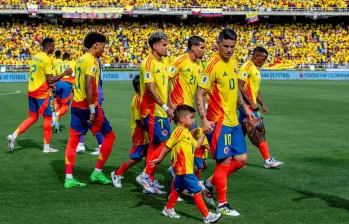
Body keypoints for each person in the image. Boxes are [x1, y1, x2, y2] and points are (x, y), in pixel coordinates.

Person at [196, 28, 255, 216]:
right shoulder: (212, 66)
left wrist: (245, 108)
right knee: (224, 161)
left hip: (234, 120)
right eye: (226, 46)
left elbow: (235, 90)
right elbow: (199, 94)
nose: (229, 50)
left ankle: (206, 184)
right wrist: (204, 120)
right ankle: (222, 204)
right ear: (218, 44)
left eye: (232, 46)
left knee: (242, 159)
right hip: (219, 122)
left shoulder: (234, 63)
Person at [150, 105, 222, 223]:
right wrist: (159, 159)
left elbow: (197, 145)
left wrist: (204, 132)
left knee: (177, 188)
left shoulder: (186, 132)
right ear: (182, 119)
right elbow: (168, 145)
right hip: (184, 169)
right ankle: (207, 216)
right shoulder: (179, 131)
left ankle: (168, 209)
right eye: (192, 118)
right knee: (198, 190)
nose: (194, 120)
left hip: (184, 169)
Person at [63, 32, 115, 188]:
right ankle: (97, 172)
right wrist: (92, 109)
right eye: (103, 47)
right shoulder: (92, 61)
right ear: (96, 45)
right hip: (88, 106)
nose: (104, 50)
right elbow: (88, 85)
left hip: (76, 105)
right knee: (110, 136)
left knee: (73, 140)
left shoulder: (80, 59)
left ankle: (69, 177)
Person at [7, 38, 72, 153]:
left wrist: (49, 84)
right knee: (47, 117)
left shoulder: (36, 56)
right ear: (47, 46)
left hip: (31, 90)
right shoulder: (47, 59)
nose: (54, 48)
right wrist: (64, 74)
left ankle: (13, 136)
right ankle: (46, 147)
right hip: (41, 92)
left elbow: (40, 75)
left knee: (33, 117)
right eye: (52, 46)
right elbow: (51, 78)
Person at [135, 31, 174, 194]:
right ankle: (145, 175)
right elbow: (150, 90)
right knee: (166, 143)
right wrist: (166, 108)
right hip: (152, 111)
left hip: (162, 111)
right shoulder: (148, 63)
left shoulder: (164, 62)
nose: (167, 48)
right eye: (164, 45)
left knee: (155, 144)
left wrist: (170, 107)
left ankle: (149, 181)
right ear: (155, 46)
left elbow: (166, 87)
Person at [238, 47, 284, 168]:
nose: (264, 61)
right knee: (257, 131)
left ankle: (235, 156)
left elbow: (255, 90)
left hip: (250, 105)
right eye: (263, 59)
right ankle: (267, 160)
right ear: (256, 56)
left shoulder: (256, 69)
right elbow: (239, 86)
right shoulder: (246, 67)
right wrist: (250, 103)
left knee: (242, 132)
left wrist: (262, 103)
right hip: (245, 106)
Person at [111, 75, 148, 188]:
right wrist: (151, 130)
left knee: (150, 155)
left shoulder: (143, 97)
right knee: (137, 157)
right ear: (138, 86)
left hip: (145, 132)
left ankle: (147, 178)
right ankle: (117, 174)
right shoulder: (137, 99)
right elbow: (138, 120)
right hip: (139, 132)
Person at [76, 46, 104, 155]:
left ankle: (101, 145)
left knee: (92, 121)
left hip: (93, 95)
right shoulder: (93, 60)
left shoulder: (92, 61)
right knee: (83, 120)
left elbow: (89, 82)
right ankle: (80, 144)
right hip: (91, 95)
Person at [52, 52, 75, 133]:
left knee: (57, 103)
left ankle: (57, 125)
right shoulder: (73, 63)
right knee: (65, 106)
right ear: (69, 58)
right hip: (67, 85)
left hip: (57, 84)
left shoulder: (58, 64)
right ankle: (56, 115)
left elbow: (53, 76)